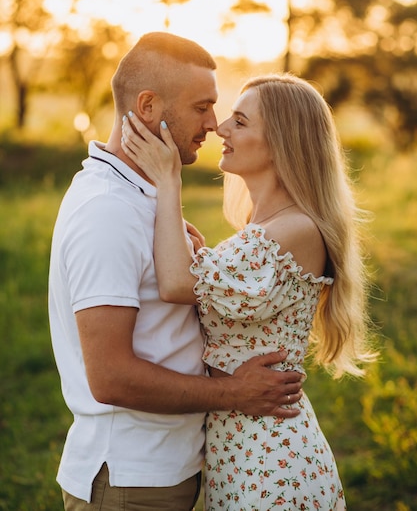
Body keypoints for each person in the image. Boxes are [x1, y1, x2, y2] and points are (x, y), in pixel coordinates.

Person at [48, 33, 304, 511]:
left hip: (166, 469)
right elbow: (110, 376)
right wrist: (235, 392)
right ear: (148, 106)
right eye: (202, 107)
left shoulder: (139, 199)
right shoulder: (108, 208)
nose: (214, 123)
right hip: (129, 479)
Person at [121, 72, 377, 511]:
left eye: (239, 122)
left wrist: (168, 182)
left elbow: (179, 284)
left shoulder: (295, 228)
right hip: (239, 450)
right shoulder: (263, 231)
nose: (220, 129)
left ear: (281, 142)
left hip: (272, 460)